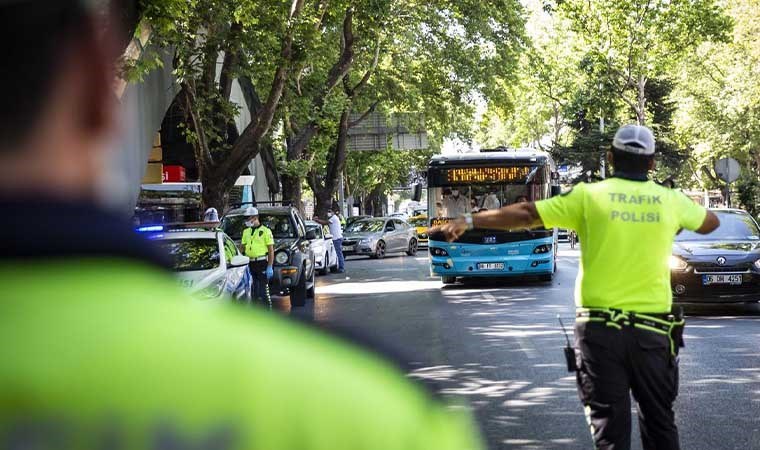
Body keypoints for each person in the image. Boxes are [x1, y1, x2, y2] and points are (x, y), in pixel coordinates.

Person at [0, 2, 483, 449]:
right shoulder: (372, 409)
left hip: (257, 266)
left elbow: (266, 248)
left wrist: (267, 256)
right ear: (94, 86)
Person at [430, 124, 720, 450]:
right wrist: (672, 220)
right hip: (653, 335)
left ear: (610, 158)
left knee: (610, 432)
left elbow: (527, 214)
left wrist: (469, 221)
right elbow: (711, 222)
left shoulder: (588, 196)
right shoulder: (669, 201)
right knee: (659, 424)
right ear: (652, 164)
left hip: (600, 334)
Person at [240, 206, 275, 306]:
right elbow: (242, 248)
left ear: (255, 218)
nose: (246, 220)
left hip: (261, 263)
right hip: (249, 263)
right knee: (253, 291)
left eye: (248, 218)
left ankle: (267, 311)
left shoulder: (266, 231)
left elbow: (271, 250)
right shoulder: (246, 232)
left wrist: (269, 266)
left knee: (264, 291)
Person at [314, 207, 345, 273]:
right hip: (336, 238)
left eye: (330, 211)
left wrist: (316, 220)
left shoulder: (333, 218)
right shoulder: (333, 218)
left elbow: (325, 223)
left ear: (333, 212)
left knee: (339, 253)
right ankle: (341, 267)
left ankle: (341, 268)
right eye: (328, 211)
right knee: (338, 253)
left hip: (336, 238)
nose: (328, 213)